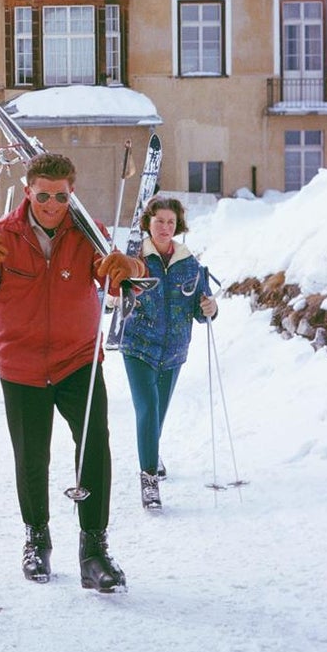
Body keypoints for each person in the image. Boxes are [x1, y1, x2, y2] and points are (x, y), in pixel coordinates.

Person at [0, 151, 144, 594]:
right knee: (31, 457)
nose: (52, 205)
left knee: (94, 448)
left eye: (61, 196)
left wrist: (127, 268)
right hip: (21, 366)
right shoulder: (2, 234)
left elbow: (123, 279)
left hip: (78, 360)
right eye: (43, 196)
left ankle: (93, 550)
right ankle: (36, 537)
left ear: (71, 192)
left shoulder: (86, 232)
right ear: (28, 191)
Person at [118, 197, 217, 512]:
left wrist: (210, 308)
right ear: (148, 222)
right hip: (138, 347)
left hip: (174, 352)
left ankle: (151, 450)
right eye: (159, 221)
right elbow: (111, 294)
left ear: (178, 226)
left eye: (170, 222)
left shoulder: (191, 264)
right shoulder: (134, 259)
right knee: (147, 408)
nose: (164, 227)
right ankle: (148, 480)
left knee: (158, 413)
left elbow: (202, 310)